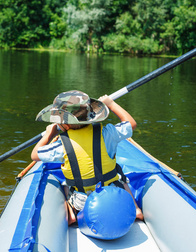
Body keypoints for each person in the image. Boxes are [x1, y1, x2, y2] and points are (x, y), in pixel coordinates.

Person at [31, 90, 144, 225]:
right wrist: (111, 104)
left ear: (64, 124)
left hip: (82, 204)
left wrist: (49, 134)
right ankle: (136, 209)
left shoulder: (62, 145)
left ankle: (72, 214)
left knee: (66, 183)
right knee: (118, 172)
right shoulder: (107, 134)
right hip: (114, 195)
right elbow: (131, 124)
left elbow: (35, 155)